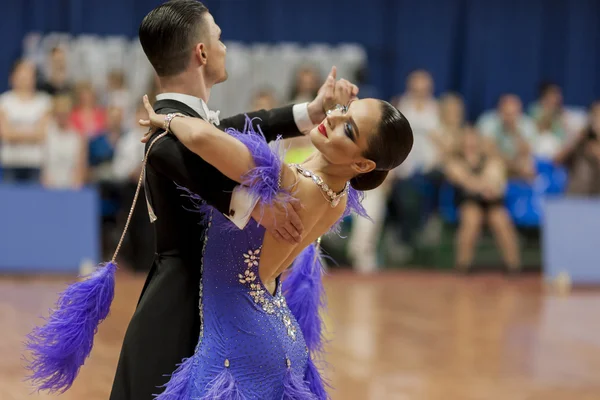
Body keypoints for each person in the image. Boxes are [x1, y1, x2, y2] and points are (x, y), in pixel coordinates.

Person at [24, 1, 358, 399]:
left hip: (222, 306)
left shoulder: (190, 125)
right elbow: (178, 156)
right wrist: (253, 206)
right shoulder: (165, 135)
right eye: (218, 37)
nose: (224, 46)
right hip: (183, 306)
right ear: (201, 52)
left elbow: (251, 125)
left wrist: (313, 110)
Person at [137, 89, 413, 398]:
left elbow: (202, 138)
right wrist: (320, 107)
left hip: (237, 346)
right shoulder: (337, 197)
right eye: (344, 109)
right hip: (276, 335)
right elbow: (322, 162)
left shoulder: (284, 181)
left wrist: (165, 118)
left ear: (362, 165)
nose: (333, 118)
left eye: (348, 129)